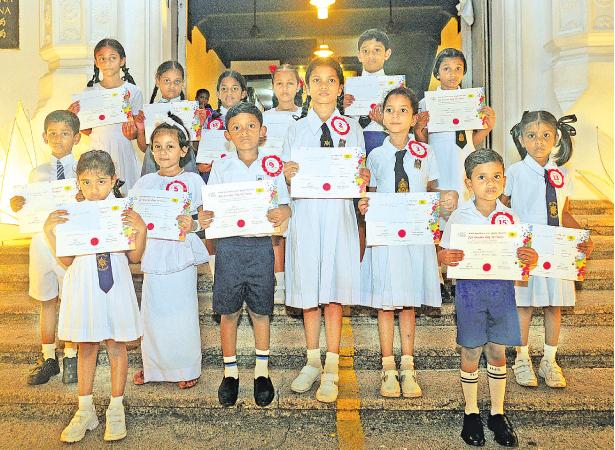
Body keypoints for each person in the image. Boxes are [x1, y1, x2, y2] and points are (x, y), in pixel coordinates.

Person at [357, 87, 457, 398]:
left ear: (414, 117)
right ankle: (388, 366)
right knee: (387, 301)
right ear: (381, 116)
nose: (396, 115)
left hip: (415, 237)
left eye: (403, 110)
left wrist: (445, 201)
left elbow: (431, 192)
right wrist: (364, 204)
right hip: (386, 237)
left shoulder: (426, 153)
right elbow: (370, 193)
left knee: (409, 300)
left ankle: (408, 365)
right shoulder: (375, 156)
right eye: (390, 110)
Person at [282, 57, 370, 403]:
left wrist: (362, 180)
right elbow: (283, 180)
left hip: (337, 216)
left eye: (330, 80)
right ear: (307, 87)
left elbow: (358, 178)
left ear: (340, 87)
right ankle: (312, 360)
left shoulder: (353, 130)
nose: (323, 87)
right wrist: (287, 174)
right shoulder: (295, 130)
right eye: (316, 80)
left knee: (333, 290)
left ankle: (332, 364)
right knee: (308, 289)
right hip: (305, 215)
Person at [44, 150, 146, 443]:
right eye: (86, 182)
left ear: (113, 179)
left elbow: (135, 256)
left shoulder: (124, 211)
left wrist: (139, 228)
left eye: (101, 181)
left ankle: (116, 407)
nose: (94, 189)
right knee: (86, 344)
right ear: (78, 183)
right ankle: (85, 409)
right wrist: (49, 230)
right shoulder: (73, 213)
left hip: (116, 279)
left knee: (116, 344)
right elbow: (66, 260)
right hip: (84, 281)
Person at [438, 149, 538, 447]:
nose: (490, 183)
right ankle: (470, 412)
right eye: (482, 177)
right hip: (470, 292)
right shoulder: (459, 216)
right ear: (469, 183)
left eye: (496, 177)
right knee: (470, 351)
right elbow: (444, 257)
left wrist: (528, 256)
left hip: (501, 291)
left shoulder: (510, 217)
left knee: (497, 351)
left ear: (504, 181)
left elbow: (523, 255)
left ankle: (497, 412)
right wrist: (444, 257)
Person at [198, 102, 291, 407]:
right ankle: (230, 373)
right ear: (228, 134)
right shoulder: (222, 167)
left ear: (262, 132)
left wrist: (282, 211)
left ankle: (262, 373)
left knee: (261, 311)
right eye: (236, 127)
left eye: (251, 126)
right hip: (229, 248)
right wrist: (205, 216)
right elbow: (208, 208)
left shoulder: (273, 166)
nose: (245, 132)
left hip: (261, 247)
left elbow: (286, 205)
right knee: (228, 312)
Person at [503, 111, 594, 388]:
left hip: (556, 247)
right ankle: (521, 357)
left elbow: (563, 211)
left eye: (546, 136)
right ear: (521, 138)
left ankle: (549, 360)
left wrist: (581, 236)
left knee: (555, 304)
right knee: (525, 304)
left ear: (556, 138)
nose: (539, 142)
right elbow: (503, 208)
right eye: (532, 135)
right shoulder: (514, 172)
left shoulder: (563, 173)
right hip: (527, 247)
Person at [131, 115, 208, 389]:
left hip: (181, 253)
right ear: (151, 150)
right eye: (158, 146)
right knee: (153, 313)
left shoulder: (193, 182)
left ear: (183, 151)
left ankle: (186, 367)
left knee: (182, 312)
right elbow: (131, 217)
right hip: (154, 252)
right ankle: (154, 367)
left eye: (170, 146)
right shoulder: (143, 184)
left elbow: (208, 217)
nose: (164, 152)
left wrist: (194, 223)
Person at [415, 47, 496, 301]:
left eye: (458, 69)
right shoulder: (427, 102)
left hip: (464, 165)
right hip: (440, 164)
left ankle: (459, 273)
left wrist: (487, 126)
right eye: (446, 69)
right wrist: (419, 128)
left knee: (463, 218)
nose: (452, 74)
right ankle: (438, 277)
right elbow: (422, 140)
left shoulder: (472, 101)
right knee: (438, 219)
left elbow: (473, 139)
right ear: (437, 73)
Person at [10, 110, 81, 386]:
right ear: (44, 137)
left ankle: (72, 355)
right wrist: (18, 206)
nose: (58, 138)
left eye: (64, 133)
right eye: (52, 133)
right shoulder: (36, 172)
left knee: (71, 299)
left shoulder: (82, 170)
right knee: (47, 300)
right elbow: (28, 207)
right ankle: (48, 357)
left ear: (76, 137)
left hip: (69, 242)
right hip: (41, 243)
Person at [68, 38, 143, 193]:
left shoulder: (133, 91)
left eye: (112, 58)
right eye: (102, 58)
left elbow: (136, 131)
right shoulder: (89, 93)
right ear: (96, 62)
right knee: (99, 189)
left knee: (123, 191)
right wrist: (73, 117)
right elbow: (88, 130)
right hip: (97, 145)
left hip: (122, 146)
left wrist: (132, 132)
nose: (107, 63)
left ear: (122, 61)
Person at [199, 70, 249, 281]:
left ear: (244, 93)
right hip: (216, 181)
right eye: (224, 89)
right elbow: (201, 162)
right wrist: (205, 164)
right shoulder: (210, 120)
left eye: (235, 88)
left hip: (242, 181)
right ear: (218, 93)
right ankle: (215, 273)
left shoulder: (251, 118)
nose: (229, 93)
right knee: (215, 226)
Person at [263, 64, 303, 303]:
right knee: (277, 232)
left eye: (290, 83)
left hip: (299, 182)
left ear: (299, 86)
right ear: (273, 87)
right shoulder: (264, 118)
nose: (285, 88)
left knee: (298, 232)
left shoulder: (306, 116)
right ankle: (279, 281)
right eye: (280, 83)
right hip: (272, 181)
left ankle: (297, 280)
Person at [133, 60, 199, 175]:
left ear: (183, 83)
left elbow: (194, 147)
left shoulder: (190, 111)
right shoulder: (149, 112)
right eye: (167, 81)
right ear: (157, 81)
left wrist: (199, 126)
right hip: (154, 165)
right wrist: (140, 129)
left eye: (177, 81)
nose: (172, 86)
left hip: (185, 163)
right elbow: (145, 148)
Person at [343, 28, 392, 155]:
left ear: (387, 54)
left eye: (377, 50)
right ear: (359, 55)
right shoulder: (346, 88)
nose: (371, 56)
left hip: (383, 140)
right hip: (353, 140)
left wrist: (385, 122)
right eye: (365, 51)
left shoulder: (395, 88)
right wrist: (342, 109)